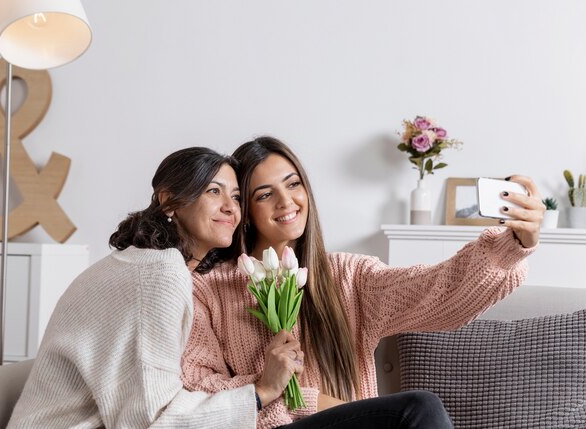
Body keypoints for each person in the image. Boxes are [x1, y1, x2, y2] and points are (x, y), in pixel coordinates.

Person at [180, 136, 545, 428]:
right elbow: (197, 390)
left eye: (293, 185)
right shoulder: (208, 290)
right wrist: (271, 389)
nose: (286, 201)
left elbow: (439, 289)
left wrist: (513, 245)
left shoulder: (348, 277)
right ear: (246, 212)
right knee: (419, 408)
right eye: (264, 194)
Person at [7, 147, 303, 429]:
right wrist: (263, 391)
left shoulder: (145, 263)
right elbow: (151, 420)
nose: (230, 207)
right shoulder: (159, 274)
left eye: (237, 197)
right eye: (213, 191)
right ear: (169, 201)